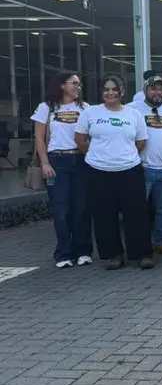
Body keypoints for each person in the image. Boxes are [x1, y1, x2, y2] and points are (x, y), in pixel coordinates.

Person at [74, 74, 153, 270]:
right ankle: (114, 255)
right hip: (99, 171)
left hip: (130, 170)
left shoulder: (133, 115)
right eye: (106, 90)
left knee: (136, 214)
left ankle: (142, 253)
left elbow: (141, 141)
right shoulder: (90, 113)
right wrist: (94, 156)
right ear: (102, 93)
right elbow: (80, 139)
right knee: (104, 215)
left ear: (121, 92)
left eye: (114, 89)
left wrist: (124, 154)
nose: (110, 93)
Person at [31, 71, 92, 268]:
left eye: (79, 84)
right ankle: (64, 253)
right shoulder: (46, 108)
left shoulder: (85, 108)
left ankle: (83, 251)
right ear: (62, 85)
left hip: (81, 160)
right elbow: (39, 138)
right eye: (74, 83)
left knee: (81, 208)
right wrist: (45, 162)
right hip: (57, 161)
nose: (78, 87)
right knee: (61, 209)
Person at [129, 76, 162, 255]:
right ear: (145, 91)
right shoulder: (132, 109)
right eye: (153, 89)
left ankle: (161, 242)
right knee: (139, 210)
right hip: (142, 168)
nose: (158, 93)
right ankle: (139, 245)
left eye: (161, 89)